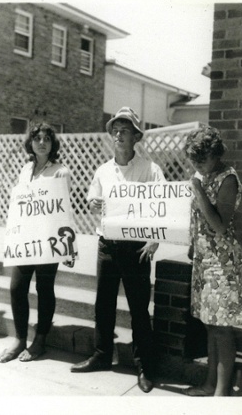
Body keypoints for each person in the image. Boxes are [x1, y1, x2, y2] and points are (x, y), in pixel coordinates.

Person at [70, 107, 165, 393]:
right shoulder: (103, 170)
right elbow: (91, 200)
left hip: (136, 248)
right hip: (107, 245)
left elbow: (162, 209)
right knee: (104, 304)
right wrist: (94, 204)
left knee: (138, 308)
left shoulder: (151, 170)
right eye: (115, 129)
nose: (118, 134)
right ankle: (101, 356)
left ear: (137, 136)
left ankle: (144, 366)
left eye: (125, 130)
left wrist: (154, 240)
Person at [0, 123, 71, 363]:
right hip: (26, 240)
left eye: (47, 139)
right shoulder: (25, 169)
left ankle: (40, 340)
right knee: (17, 287)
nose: (42, 142)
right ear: (30, 142)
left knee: (44, 289)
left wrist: (67, 246)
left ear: (53, 143)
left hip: (48, 240)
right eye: (37, 138)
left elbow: (63, 210)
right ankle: (19, 339)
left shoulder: (61, 171)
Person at [183, 126, 242, 396]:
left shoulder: (227, 178)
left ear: (216, 154)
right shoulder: (203, 175)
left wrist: (198, 191)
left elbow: (220, 226)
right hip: (205, 259)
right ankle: (210, 384)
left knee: (222, 329)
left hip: (223, 262)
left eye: (202, 157)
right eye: (193, 158)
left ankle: (221, 393)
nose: (197, 163)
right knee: (210, 324)